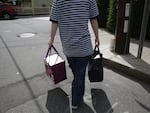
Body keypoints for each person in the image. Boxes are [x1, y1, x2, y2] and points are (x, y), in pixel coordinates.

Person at [48, 0, 99, 110]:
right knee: (79, 75)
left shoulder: (58, 1)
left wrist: (51, 39)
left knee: (78, 74)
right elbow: (93, 19)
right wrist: (97, 36)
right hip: (84, 47)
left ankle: (78, 95)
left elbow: (54, 21)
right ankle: (75, 101)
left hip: (68, 47)